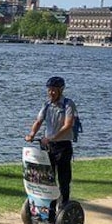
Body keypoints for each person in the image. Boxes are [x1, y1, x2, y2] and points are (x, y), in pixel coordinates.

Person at [24, 76, 77, 208]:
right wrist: (31, 134)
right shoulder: (46, 105)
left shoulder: (68, 104)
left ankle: (64, 204)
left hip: (63, 146)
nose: (51, 92)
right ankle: (49, 206)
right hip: (48, 146)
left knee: (63, 179)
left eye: (54, 90)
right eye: (49, 90)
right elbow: (38, 121)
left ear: (61, 90)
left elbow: (68, 125)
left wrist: (52, 137)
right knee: (47, 178)